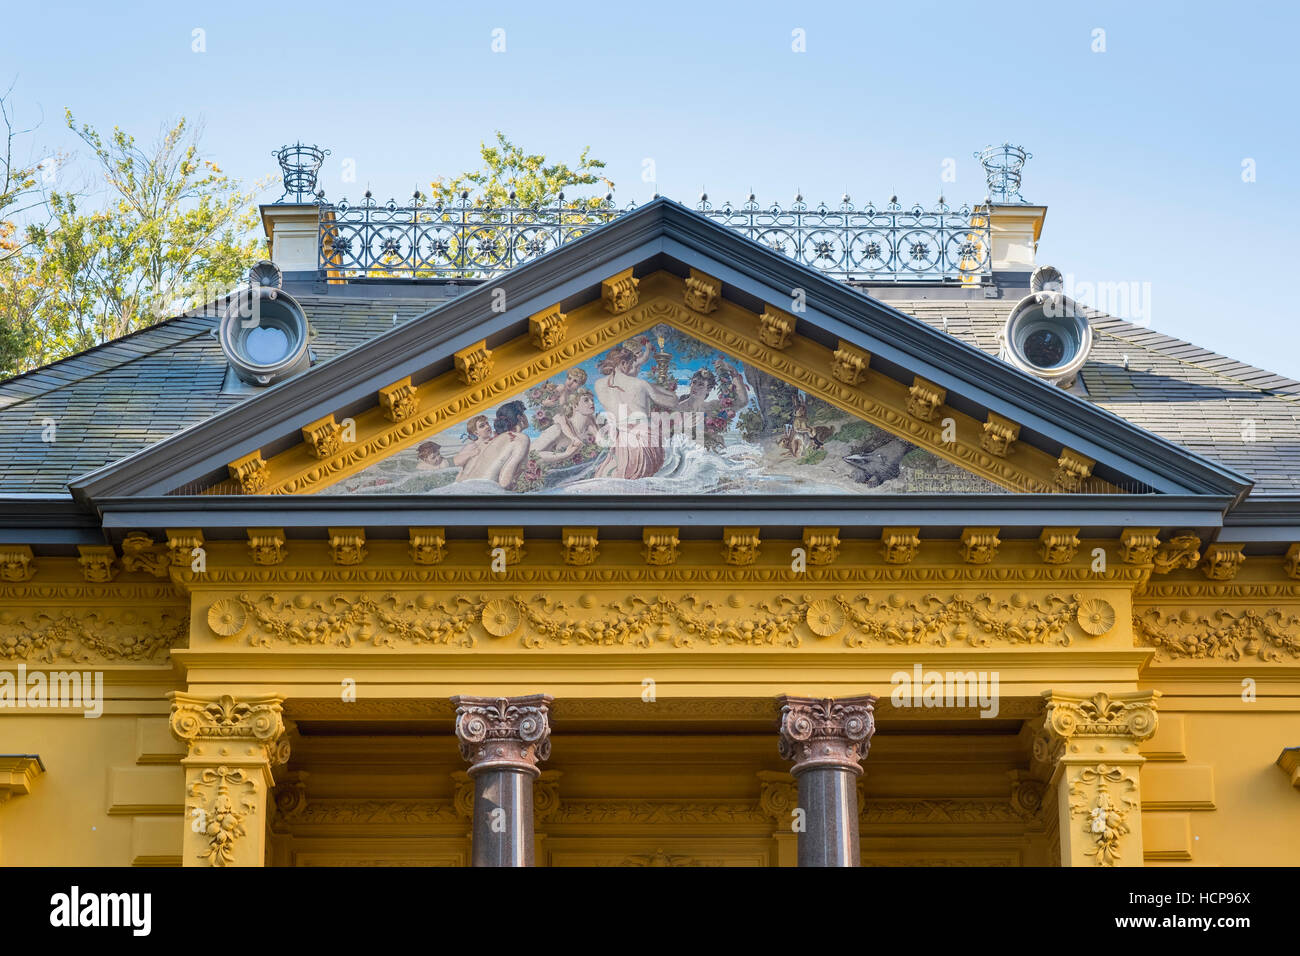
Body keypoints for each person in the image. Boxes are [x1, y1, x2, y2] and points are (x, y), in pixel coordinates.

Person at [592, 342, 680, 480]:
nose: (633, 367)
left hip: (620, 442)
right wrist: (655, 387)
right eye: (631, 363)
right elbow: (673, 402)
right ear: (623, 363)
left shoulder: (598, 385)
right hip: (643, 442)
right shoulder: (640, 384)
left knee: (614, 477)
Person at [455, 401, 531, 489]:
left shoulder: (492, 440)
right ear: (520, 417)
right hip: (482, 490)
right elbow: (504, 483)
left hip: (462, 487)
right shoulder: (521, 439)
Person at [534, 389, 599, 462]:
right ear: (575, 406)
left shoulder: (590, 431)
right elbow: (533, 455)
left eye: (592, 400)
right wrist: (565, 455)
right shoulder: (557, 429)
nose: (592, 403)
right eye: (586, 400)